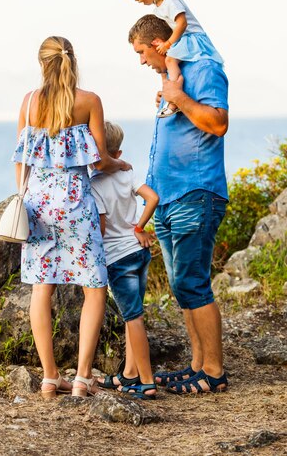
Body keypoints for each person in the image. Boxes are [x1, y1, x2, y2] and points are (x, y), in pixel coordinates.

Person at [12, 36, 131, 398]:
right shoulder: (89, 101)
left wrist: (26, 197)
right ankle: (81, 378)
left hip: (38, 205)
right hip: (77, 204)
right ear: (72, 60)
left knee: (41, 288)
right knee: (93, 288)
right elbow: (98, 160)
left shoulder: (30, 102)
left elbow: (21, 159)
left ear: (41, 63)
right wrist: (120, 163)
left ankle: (50, 377)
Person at [128, 14, 229, 395]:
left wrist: (180, 98)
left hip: (196, 191)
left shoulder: (203, 70)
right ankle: (198, 367)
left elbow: (218, 123)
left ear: (159, 44)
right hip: (169, 198)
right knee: (181, 286)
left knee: (194, 284)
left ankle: (214, 372)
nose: (141, 61)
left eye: (141, 52)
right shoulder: (171, 81)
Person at [90, 121, 159, 400]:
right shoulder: (128, 173)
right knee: (135, 315)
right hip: (139, 252)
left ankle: (147, 381)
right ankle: (129, 374)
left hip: (117, 258)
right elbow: (152, 198)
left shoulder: (94, 185)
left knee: (133, 318)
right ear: (118, 154)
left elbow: (102, 228)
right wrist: (139, 227)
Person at [122, 0, 224, 117]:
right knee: (169, 63)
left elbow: (182, 23)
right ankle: (167, 94)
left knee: (170, 60)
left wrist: (168, 43)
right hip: (182, 37)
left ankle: (173, 99)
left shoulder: (171, 1)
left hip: (191, 37)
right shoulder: (159, 7)